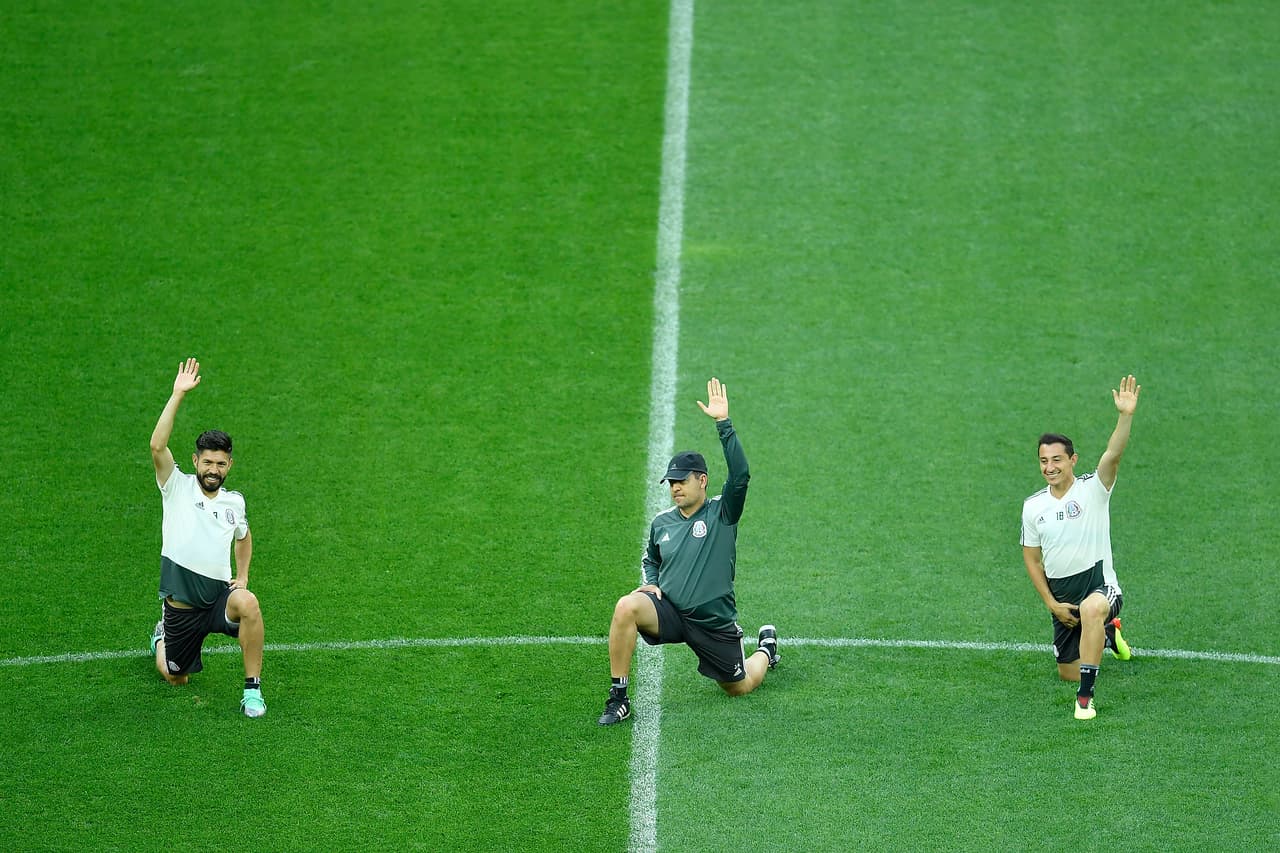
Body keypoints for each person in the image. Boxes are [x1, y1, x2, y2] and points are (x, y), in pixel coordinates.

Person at [599, 377, 778, 726]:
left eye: (682, 480)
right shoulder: (662, 522)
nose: (675, 487)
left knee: (739, 687)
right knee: (626, 606)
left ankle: (765, 651)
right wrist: (650, 581)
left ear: (703, 480)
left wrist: (723, 424)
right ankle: (618, 698)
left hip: (712, 622)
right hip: (670, 612)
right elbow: (651, 558)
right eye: (671, 482)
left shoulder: (722, 513)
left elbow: (740, 475)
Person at [147, 358, 267, 718]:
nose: (213, 470)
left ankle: (252, 691)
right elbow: (156, 446)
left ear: (229, 465)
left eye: (220, 464)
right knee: (175, 676)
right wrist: (177, 395)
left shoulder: (235, 502)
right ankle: (160, 638)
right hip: (183, 605)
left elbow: (243, 537)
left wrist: (242, 576)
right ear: (195, 461)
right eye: (207, 462)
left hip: (218, 597)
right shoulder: (176, 487)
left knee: (249, 604)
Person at [1020, 374, 1141, 721]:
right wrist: (1052, 604)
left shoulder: (1093, 488)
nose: (1050, 467)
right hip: (1063, 595)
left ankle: (1085, 699)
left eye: (1057, 460)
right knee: (1067, 671)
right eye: (1044, 461)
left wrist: (1125, 415)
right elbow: (1031, 558)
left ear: (1073, 461)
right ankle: (1107, 634)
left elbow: (1113, 453)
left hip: (1100, 586)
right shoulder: (1033, 507)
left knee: (1091, 610)